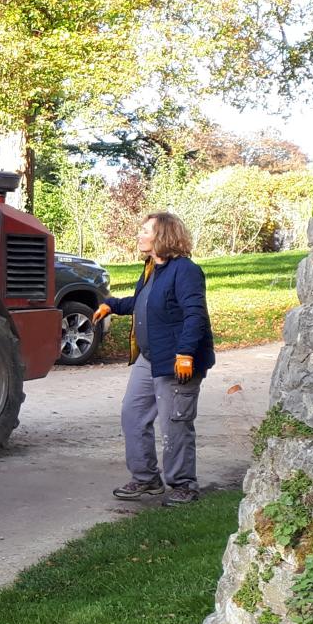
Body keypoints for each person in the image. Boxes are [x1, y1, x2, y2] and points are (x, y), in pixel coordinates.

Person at [92, 212, 215, 506]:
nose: (139, 235)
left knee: (175, 424)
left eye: (145, 230)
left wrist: (185, 354)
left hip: (177, 361)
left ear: (162, 236)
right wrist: (112, 305)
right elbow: (142, 303)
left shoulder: (185, 271)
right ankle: (146, 479)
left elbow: (194, 315)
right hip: (149, 359)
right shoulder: (152, 269)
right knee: (132, 415)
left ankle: (184, 485)